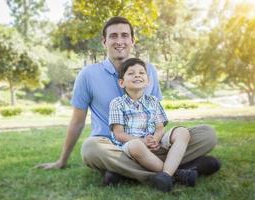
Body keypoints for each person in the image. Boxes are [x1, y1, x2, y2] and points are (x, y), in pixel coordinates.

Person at [35, 16, 221, 192]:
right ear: (104, 42)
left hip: (152, 147)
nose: (119, 41)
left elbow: (157, 115)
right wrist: (62, 160)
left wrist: (156, 138)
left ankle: (123, 173)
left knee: (208, 134)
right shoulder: (88, 75)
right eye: (113, 36)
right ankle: (178, 171)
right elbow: (77, 122)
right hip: (116, 149)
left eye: (125, 35)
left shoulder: (149, 70)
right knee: (90, 148)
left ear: (133, 41)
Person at [109, 58, 198, 191]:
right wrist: (142, 141)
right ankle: (177, 174)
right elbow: (119, 134)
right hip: (132, 146)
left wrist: (155, 139)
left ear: (148, 80)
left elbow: (160, 128)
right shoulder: (117, 103)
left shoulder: (153, 101)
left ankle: (166, 175)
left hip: (155, 143)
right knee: (136, 146)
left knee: (182, 131)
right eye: (131, 73)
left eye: (141, 72)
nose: (137, 75)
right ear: (121, 82)